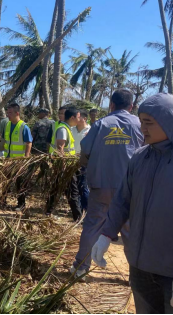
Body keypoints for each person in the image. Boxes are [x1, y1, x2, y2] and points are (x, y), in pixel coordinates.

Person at [92, 93, 173, 315]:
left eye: (149, 123)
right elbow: (122, 201)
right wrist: (106, 234)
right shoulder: (139, 158)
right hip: (140, 269)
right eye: (141, 121)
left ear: (169, 121)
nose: (142, 128)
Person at [70, 89, 144, 278]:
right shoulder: (140, 124)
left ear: (111, 104)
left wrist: (88, 166)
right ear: (131, 106)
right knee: (130, 230)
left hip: (101, 185)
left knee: (93, 225)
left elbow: (85, 149)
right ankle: (135, 274)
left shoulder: (101, 124)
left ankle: (80, 268)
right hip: (130, 188)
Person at [46, 107, 80, 219]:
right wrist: (63, 166)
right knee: (72, 192)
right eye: (78, 117)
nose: (79, 120)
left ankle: (48, 211)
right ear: (72, 117)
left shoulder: (67, 128)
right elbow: (60, 148)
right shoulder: (63, 129)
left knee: (56, 189)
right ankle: (78, 217)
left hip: (65, 166)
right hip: (64, 167)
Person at [0, 103, 33, 210]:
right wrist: (2, 153)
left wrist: (26, 158)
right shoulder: (8, 125)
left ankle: (21, 205)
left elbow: (28, 142)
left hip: (19, 160)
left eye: (10, 113)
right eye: (7, 112)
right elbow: (4, 140)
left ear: (17, 113)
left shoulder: (24, 127)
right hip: (8, 159)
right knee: (5, 181)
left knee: (20, 183)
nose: (8, 115)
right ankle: (2, 202)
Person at [72, 110, 91, 212]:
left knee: (83, 186)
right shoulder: (71, 129)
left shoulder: (91, 131)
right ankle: (78, 209)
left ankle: (86, 209)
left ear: (84, 119)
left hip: (84, 163)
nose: (76, 119)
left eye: (79, 117)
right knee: (74, 187)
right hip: (71, 161)